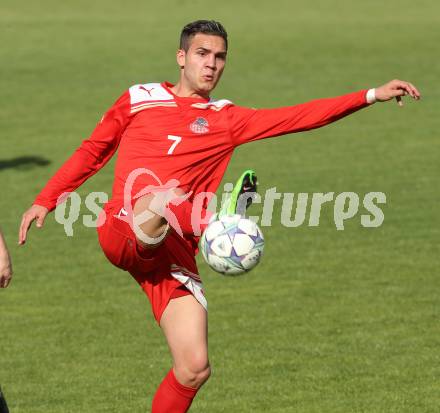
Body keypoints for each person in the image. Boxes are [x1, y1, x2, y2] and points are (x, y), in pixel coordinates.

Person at [18, 20, 420, 412]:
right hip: (124, 226)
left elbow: (299, 117)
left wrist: (370, 95)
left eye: (220, 57)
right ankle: (217, 222)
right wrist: (47, 198)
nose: (211, 64)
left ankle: (212, 223)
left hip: (171, 250)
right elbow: (95, 149)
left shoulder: (226, 119)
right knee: (161, 194)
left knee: (194, 368)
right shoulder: (139, 98)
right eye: (202, 54)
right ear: (181, 57)